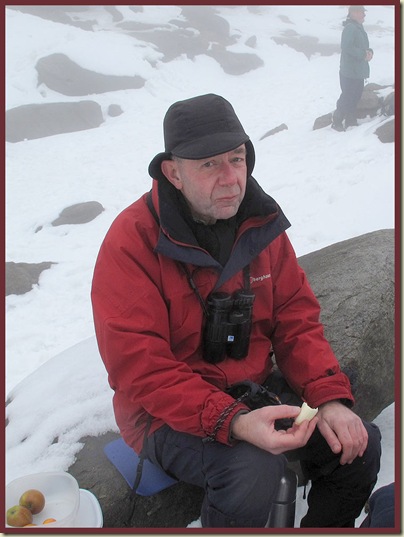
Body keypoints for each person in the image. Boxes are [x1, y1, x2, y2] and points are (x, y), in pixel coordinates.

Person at [91, 93, 381, 527]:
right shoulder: (131, 243)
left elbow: (296, 320)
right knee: (251, 470)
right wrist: (235, 422)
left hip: (252, 388)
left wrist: (328, 399)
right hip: (162, 415)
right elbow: (140, 368)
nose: (230, 178)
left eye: (237, 158)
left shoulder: (259, 225)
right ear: (173, 173)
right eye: (209, 164)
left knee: (358, 446)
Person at [332, 5, 373, 131]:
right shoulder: (350, 28)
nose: (364, 15)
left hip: (357, 71)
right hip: (350, 71)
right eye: (362, 12)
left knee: (355, 95)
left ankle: (350, 120)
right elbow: (346, 47)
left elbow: (363, 46)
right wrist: (363, 54)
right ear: (353, 13)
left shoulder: (358, 27)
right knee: (348, 95)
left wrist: (369, 52)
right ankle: (337, 121)